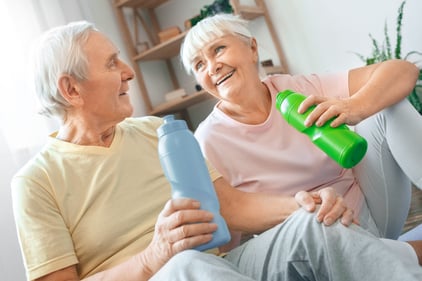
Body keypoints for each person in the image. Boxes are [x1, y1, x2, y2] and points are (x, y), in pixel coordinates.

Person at [11, 20, 422, 281]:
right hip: (171, 272)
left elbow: (228, 205)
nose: (129, 72)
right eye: (112, 63)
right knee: (185, 265)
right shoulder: (36, 182)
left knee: (313, 225)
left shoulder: (157, 132)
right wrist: (154, 256)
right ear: (71, 89)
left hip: (219, 265)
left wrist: (303, 205)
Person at [180, 13, 422, 248]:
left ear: (252, 49)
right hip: (315, 243)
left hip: (371, 211)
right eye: (199, 64)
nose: (212, 67)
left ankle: (392, 254)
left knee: (385, 107)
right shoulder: (208, 140)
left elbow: (402, 70)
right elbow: (228, 236)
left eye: (218, 49)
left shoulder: (294, 88)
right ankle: (398, 254)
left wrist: (354, 107)